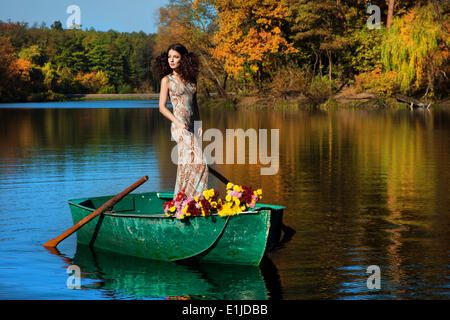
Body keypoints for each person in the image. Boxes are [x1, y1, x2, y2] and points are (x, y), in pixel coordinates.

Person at [154, 43, 208, 199]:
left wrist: (199, 123)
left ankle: (183, 202)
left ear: (183, 59)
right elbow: (162, 107)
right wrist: (177, 123)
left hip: (192, 127)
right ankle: (196, 200)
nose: (171, 60)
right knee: (202, 162)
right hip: (179, 127)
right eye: (169, 57)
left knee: (186, 165)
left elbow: (194, 104)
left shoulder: (191, 80)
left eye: (176, 57)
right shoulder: (167, 80)